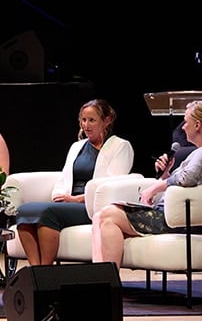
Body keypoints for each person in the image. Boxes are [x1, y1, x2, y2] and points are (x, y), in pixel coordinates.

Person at [91, 99, 202, 269]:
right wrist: (166, 174)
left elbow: (186, 178)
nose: (182, 127)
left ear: (197, 125)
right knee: (102, 217)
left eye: (185, 121)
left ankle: (108, 284)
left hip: (180, 221)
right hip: (170, 216)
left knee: (107, 215)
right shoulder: (201, 152)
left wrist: (154, 188)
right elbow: (181, 181)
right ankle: (101, 281)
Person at [15, 99, 134, 266]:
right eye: (83, 120)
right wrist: (59, 195)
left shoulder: (120, 146)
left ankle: (45, 270)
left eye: (92, 120)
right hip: (69, 202)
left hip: (92, 206)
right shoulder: (77, 146)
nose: (86, 125)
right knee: (24, 211)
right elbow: (64, 177)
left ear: (106, 121)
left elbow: (110, 187)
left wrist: (76, 199)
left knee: (48, 213)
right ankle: (36, 271)